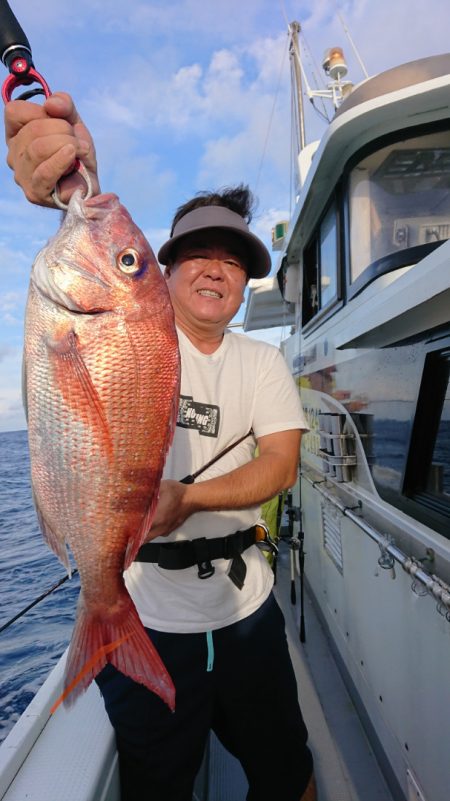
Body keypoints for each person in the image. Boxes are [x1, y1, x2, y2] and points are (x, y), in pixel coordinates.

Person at [5, 93, 317, 801]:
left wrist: (191, 497)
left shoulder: (261, 363)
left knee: (289, 772)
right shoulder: (132, 327)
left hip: (245, 613)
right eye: (197, 255)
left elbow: (281, 464)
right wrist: (74, 173)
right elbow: (103, 263)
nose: (215, 269)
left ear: (244, 283)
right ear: (166, 269)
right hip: (144, 610)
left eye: (233, 260)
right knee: (158, 783)